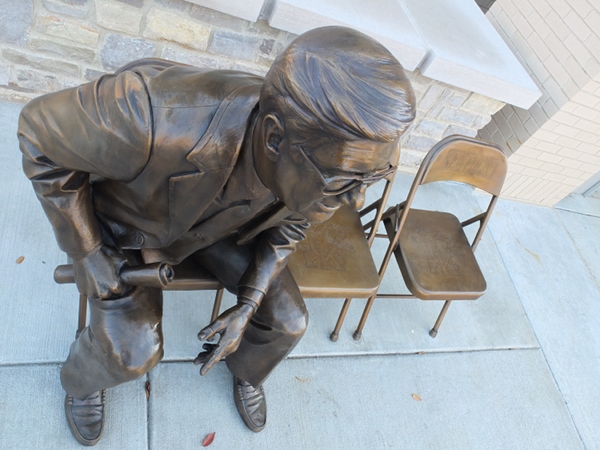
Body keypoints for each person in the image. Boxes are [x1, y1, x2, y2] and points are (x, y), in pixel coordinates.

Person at [18, 26, 416, 446]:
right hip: (131, 223)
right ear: (274, 138)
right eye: (343, 181)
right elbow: (36, 133)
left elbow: (293, 222)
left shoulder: (327, 157)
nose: (356, 199)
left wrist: (248, 303)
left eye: (374, 177)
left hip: (223, 231)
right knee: (132, 351)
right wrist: (87, 251)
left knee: (288, 321)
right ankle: (81, 380)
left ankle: (246, 369)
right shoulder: (148, 116)